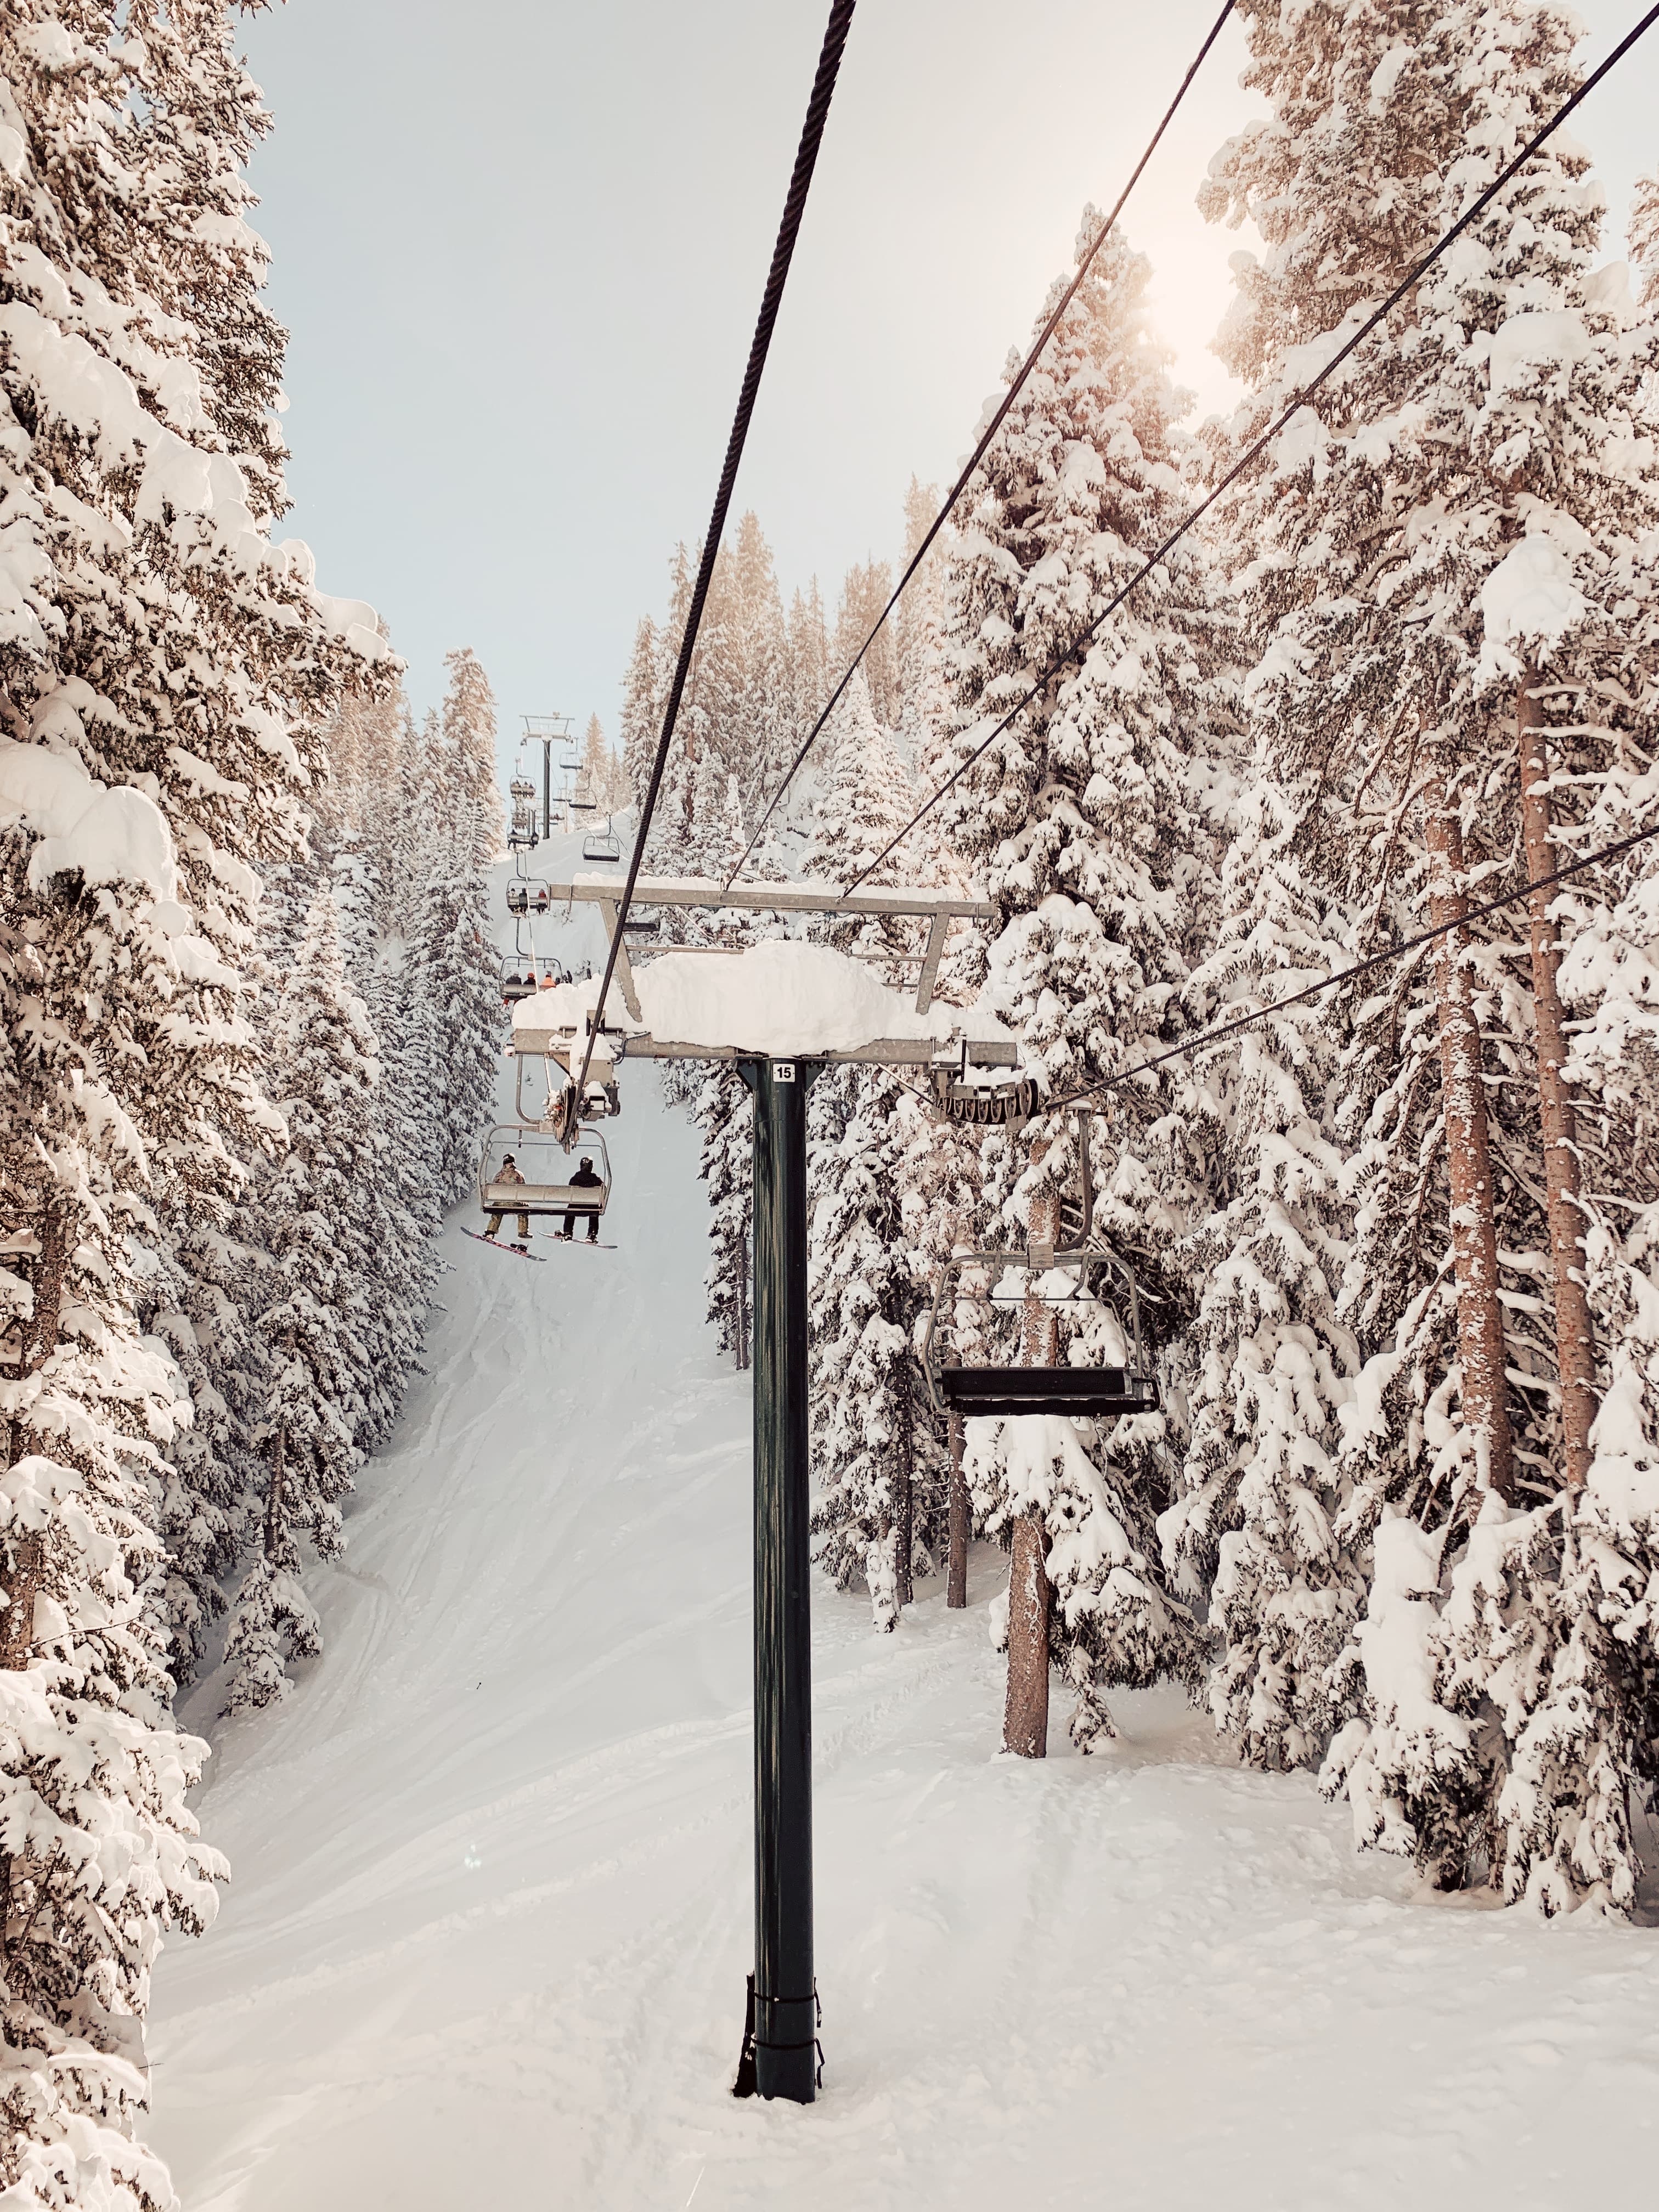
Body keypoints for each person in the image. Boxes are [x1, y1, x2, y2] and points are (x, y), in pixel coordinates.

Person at [483, 1154, 529, 1246]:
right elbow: (524, 1190)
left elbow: (494, 1190)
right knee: (523, 1210)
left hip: (501, 1203)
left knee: (497, 1211)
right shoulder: (518, 1174)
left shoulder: (498, 1175)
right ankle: (522, 1232)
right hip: (514, 1203)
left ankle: (490, 1232)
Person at [558, 1155, 604, 1244]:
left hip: (575, 1209)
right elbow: (603, 1190)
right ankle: (591, 1235)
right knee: (595, 1210)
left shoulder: (574, 1179)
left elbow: (569, 1193)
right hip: (591, 1210)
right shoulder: (596, 1179)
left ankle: (568, 1233)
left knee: (570, 1210)